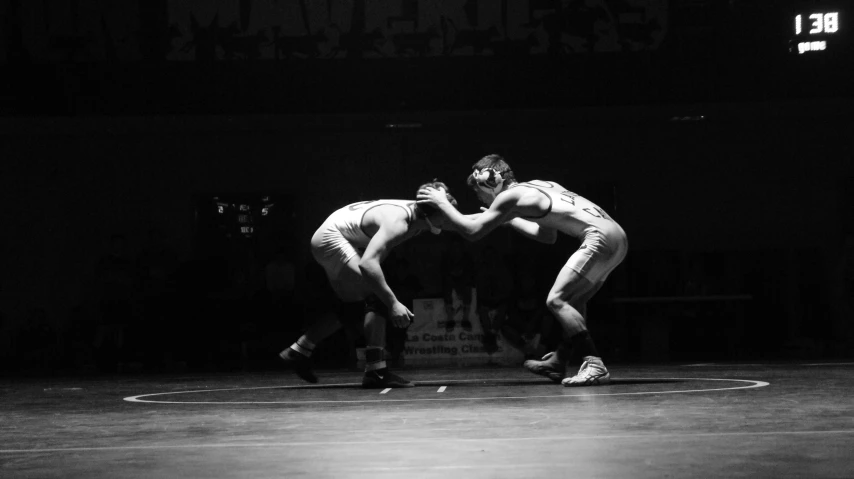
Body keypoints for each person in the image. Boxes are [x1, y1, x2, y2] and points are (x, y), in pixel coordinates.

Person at [417, 154, 627, 386]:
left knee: (557, 300)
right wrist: (508, 219)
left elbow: (473, 232)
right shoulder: (541, 185)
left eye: (478, 191)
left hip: (599, 238)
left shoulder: (509, 197)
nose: (480, 197)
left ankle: (594, 364)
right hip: (617, 237)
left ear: (488, 181)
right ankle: (560, 360)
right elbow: (547, 236)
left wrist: (442, 203)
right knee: (574, 302)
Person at [279, 181, 458, 388]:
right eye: (445, 212)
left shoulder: (421, 213)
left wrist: (499, 216)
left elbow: (463, 222)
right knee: (378, 295)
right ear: (431, 216)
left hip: (342, 236)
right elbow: (367, 263)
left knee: (353, 307)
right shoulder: (398, 223)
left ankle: (299, 350)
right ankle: (376, 371)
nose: (449, 217)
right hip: (333, 238)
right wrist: (392, 303)